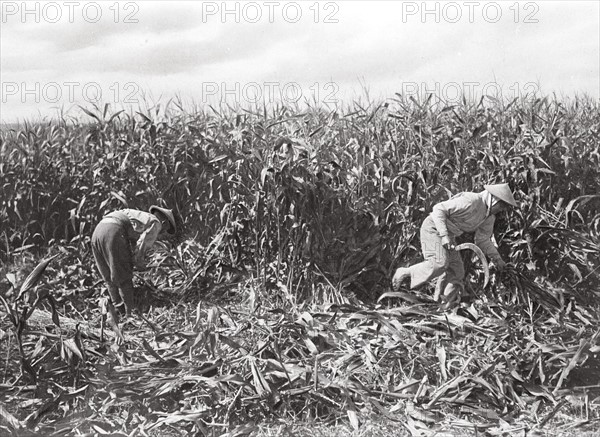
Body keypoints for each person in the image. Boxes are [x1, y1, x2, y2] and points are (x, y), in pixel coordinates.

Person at [392, 183, 517, 303]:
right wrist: (444, 235)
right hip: (434, 228)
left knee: (457, 271)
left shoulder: (488, 217)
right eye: (501, 206)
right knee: (439, 262)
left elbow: (483, 240)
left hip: (449, 236)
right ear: (493, 199)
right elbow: (439, 209)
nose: (500, 210)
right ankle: (404, 272)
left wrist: (498, 261)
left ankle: (441, 302)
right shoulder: (471, 201)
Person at [91, 205, 176, 315]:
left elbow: (132, 242)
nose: (161, 232)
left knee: (108, 277)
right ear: (164, 223)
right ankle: (129, 314)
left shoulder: (140, 218)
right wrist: (139, 262)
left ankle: (118, 310)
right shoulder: (156, 223)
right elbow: (142, 244)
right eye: (164, 230)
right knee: (124, 276)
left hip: (98, 230)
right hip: (113, 230)